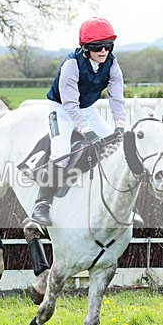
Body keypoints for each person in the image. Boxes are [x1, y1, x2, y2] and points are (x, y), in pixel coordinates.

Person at [31, 17, 127, 226]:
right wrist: (86, 131)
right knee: (61, 153)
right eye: (97, 47)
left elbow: (117, 98)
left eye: (108, 46)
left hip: (88, 110)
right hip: (62, 110)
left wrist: (120, 125)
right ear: (85, 48)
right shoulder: (71, 65)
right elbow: (70, 104)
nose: (103, 51)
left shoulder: (112, 64)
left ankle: (121, 204)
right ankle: (42, 203)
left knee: (117, 148)